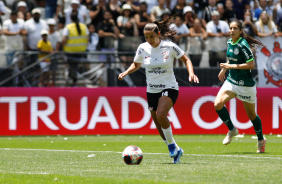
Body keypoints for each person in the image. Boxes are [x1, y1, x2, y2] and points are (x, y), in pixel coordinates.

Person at [118, 17, 199, 164]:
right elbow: (136, 65)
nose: (149, 40)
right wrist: (125, 72)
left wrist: (191, 73)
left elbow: (186, 59)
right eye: (146, 37)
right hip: (152, 90)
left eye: (152, 37)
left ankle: (172, 148)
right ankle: (175, 149)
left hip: (169, 87)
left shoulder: (169, 46)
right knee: (158, 124)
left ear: (159, 34)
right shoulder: (143, 48)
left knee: (161, 114)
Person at [214, 19, 266, 153]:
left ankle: (261, 140)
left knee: (252, 115)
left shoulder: (243, 45)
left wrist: (230, 66)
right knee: (217, 104)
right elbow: (231, 59)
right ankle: (232, 130)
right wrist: (224, 69)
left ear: (240, 31)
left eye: (235, 28)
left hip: (246, 85)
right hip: (232, 81)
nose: (231, 30)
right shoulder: (230, 42)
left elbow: (250, 65)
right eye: (230, 28)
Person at [62, 12, 89, 86]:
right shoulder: (84, 26)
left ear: (70, 19)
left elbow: (64, 39)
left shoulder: (68, 27)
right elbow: (88, 38)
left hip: (70, 51)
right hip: (81, 50)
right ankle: (74, 79)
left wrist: (63, 48)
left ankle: (74, 80)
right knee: (75, 66)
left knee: (72, 66)